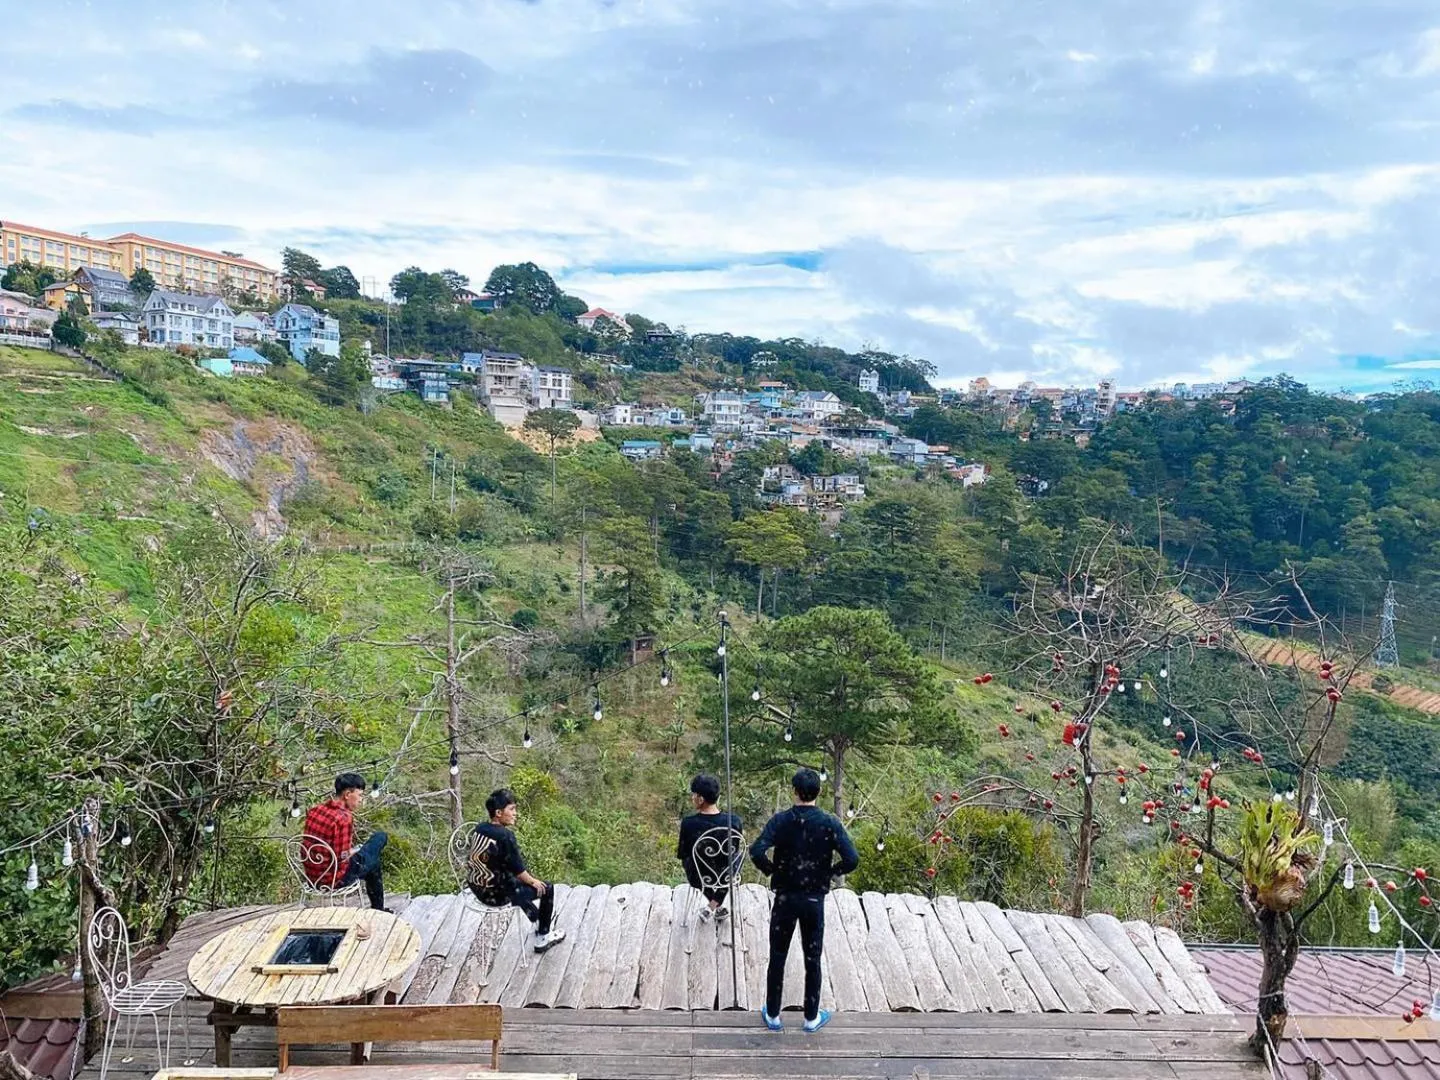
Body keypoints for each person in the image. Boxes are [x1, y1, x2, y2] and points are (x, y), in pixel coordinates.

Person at [748, 767, 859, 1034]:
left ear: (795, 791)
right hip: (814, 899)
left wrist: (771, 870)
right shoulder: (829, 822)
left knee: (778, 955)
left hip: (785, 897)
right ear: (818, 792)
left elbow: (756, 850)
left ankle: (773, 1015)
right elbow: (852, 859)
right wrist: (830, 873)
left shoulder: (781, 821)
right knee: (813, 958)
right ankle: (810, 1018)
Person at [467, 788, 566, 953]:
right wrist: (534, 882)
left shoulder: (480, 828)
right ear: (499, 813)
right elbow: (520, 871)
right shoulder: (505, 836)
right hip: (494, 897)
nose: (515, 813)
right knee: (546, 887)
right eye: (512, 809)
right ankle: (543, 936)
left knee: (513, 882)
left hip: (476, 888)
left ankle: (536, 918)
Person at [301, 773, 389, 910]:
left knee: (371, 859)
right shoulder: (343, 818)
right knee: (380, 839)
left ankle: (378, 909)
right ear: (347, 794)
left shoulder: (315, 810)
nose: (361, 800)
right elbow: (342, 857)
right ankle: (378, 909)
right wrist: (356, 850)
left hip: (312, 877)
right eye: (359, 795)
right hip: (333, 880)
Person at [676, 773, 743, 922]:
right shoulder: (735, 821)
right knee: (737, 859)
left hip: (700, 877)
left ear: (700, 799)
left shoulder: (688, 823)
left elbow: (682, 853)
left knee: (688, 860)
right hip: (726, 875)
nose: (692, 798)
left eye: (694, 794)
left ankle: (711, 906)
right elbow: (734, 851)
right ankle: (715, 905)